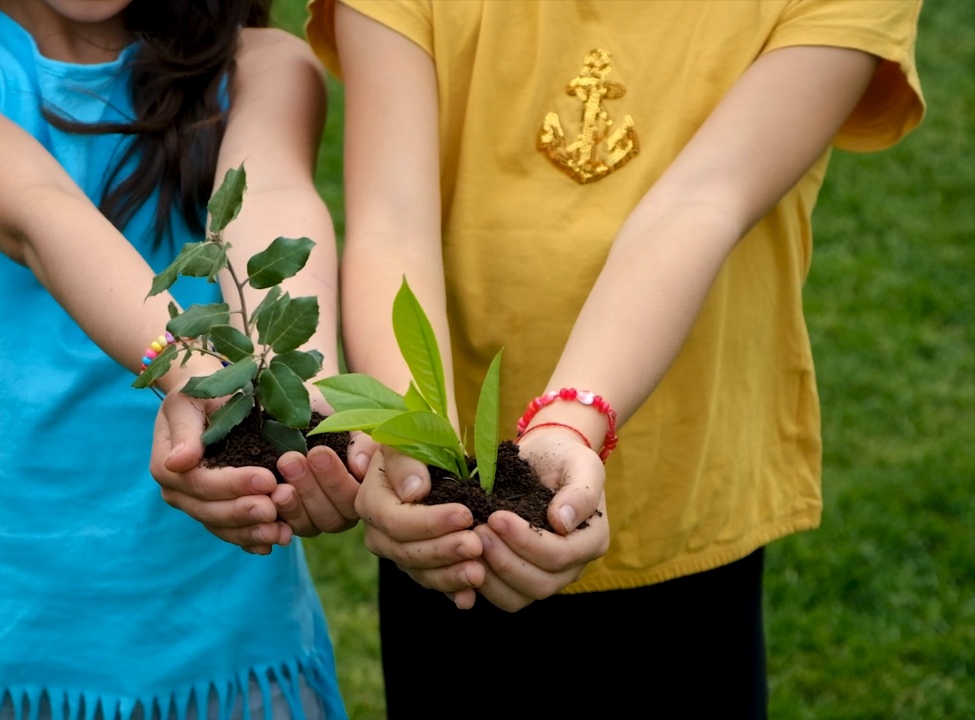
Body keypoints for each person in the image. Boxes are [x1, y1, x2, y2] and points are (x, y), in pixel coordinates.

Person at [305, 0, 925, 716]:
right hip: (446, 522)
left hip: (683, 491)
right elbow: (391, 219)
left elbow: (704, 200)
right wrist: (418, 447)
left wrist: (572, 423)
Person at [0, 1, 350, 718]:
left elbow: (272, 201)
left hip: (220, 634)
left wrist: (296, 395)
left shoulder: (264, 66)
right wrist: (194, 370)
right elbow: (42, 217)